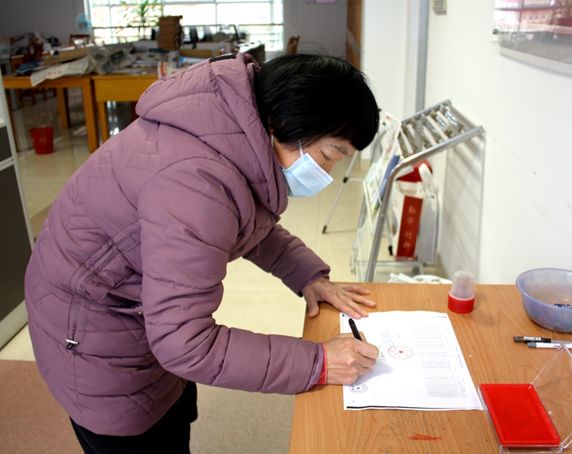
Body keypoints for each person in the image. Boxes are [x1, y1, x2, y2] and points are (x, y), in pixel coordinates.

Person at [24, 52, 380, 452]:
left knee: (171, 413)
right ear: (282, 124)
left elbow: (244, 221)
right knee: (140, 433)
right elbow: (185, 343)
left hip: (135, 311)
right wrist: (319, 362)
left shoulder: (228, 128)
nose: (327, 174)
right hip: (95, 334)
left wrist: (308, 276)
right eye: (329, 155)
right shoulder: (194, 183)